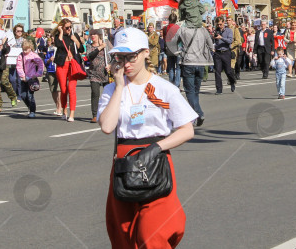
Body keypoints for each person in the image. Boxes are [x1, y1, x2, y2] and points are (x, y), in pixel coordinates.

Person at [98, 27, 197, 248]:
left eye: (131, 56)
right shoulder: (111, 89)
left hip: (156, 161)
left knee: (152, 235)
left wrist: (157, 148)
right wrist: (119, 86)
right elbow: (107, 126)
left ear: (145, 53)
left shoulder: (163, 88)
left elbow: (187, 129)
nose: (126, 63)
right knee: (123, 234)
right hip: (124, 164)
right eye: (120, 57)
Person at [172, 20, 211, 127]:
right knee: (196, 91)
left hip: (189, 62)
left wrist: (179, 50)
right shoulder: (203, 30)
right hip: (201, 63)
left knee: (190, 91)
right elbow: (210, 44)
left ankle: (199, 113)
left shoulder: (183, 29)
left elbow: (173, 41)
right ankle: (195, 116)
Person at [53, 18, 83, 122]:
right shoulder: (58, 36)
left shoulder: (74, 35)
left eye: (70, 27)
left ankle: (72, 114)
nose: (69, 29)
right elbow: (58, 44)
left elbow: (81, 49)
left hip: (73, 64)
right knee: (63, 89)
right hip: (62, 64)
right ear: (62, 27)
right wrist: (61, 32)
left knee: (71, 88)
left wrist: (76, 41)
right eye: (67, 28)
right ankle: (64, 110)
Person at [87, 29, 111, 123]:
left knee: (107, 94)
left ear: (99, 35)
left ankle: (108, 113)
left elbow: (114, 55)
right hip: (94, 74)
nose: (93, 36)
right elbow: (90, 56)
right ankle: (95, 115)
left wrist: (110, 65)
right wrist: (100, 47)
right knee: (95, 93)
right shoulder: (89, 46)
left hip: (105, 73)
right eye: (91, 34)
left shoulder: (106, 43)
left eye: (95, 34)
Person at [15, 39, 44, 118]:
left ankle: (32, 110)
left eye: (26, 49)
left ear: (31, 48)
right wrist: (22, 75)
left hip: (32, 78)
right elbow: (19, 66)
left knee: (30, 95)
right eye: (23, 49)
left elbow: (41, 64)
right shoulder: (21, 56)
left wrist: (37, 74)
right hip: (24, 78)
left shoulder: (34, 56)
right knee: (23, 95)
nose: (25, 51)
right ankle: (29, 106)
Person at [212, 17, 235, 94]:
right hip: (218, 53)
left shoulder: (229, 30)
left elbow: (230, 41)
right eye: (218, 24)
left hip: (226, 52)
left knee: (228, 71)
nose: (219, 25)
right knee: (217, 71)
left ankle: (232, 82)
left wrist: (221, 37)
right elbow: (214, 41)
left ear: (223, 23)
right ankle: (219, 89)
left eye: (221, 24)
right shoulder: (216, 31)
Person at [163, 13, 181, 88]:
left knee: (171, 68)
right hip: (177, 49)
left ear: (169, 19)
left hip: (169, 50)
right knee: (178, 68)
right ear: (176, 19)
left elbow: (164, 39)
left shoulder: (165, 28)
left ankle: (171, 84)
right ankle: (176, 85)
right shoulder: (178, 28)